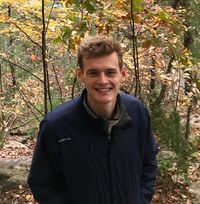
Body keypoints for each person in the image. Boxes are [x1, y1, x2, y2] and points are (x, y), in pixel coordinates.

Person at [27, 36, 158, 204]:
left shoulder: (137, 112)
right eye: (93, 72)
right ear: (80, 74)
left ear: (122, 74)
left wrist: (141, 199)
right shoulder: (57, 126)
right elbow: (41, 183)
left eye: (110, 72)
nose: (103, 81)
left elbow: (148, 163)